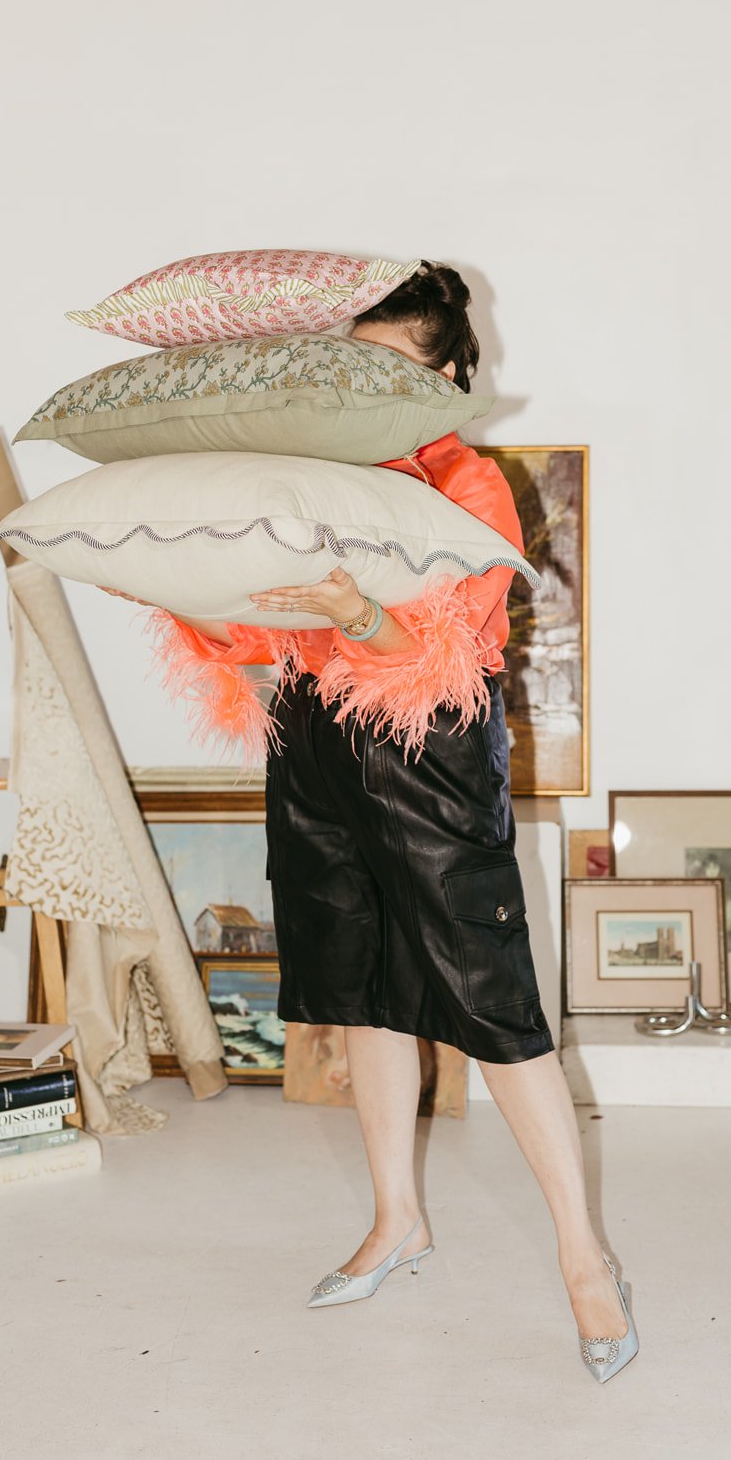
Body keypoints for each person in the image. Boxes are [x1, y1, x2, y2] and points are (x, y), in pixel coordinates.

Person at [123, 261, 637, 1382]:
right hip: (312, 744)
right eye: (352, 364)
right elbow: (264, 645)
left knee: (492, 1005)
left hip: (430, 749)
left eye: (394, 367)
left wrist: (356, 610)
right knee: (352, 980)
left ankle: (583, 1255)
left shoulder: (468, 484)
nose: (367, 388)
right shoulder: (307, 474)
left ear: (450, 374)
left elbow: (441, 654)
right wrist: (188, 589)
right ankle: (396, 1217)